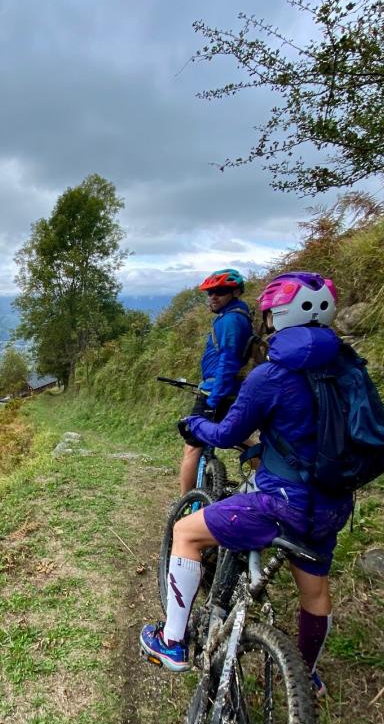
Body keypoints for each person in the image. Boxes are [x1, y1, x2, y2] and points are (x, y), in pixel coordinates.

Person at [141, 271, 354, 695]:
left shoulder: (269, 376)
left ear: (275, 317)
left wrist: (197, 423)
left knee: (185, 532)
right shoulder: (350, 371)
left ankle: (172, 642)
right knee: (314, 593)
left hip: (280, 503)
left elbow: (223, 434)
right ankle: (305, 677)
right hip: (331, 505)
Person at [179, 268, 253, 496]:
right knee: (241, 438)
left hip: (218, 390)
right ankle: (268, 483)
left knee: (192, 445)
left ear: (236, 292)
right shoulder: (237, 317)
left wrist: (213, 397)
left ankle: (183, 502)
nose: (213, 296)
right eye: (210, 292)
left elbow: (228, 361)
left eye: (220, 291)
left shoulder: (231, 321)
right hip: (232, 389)